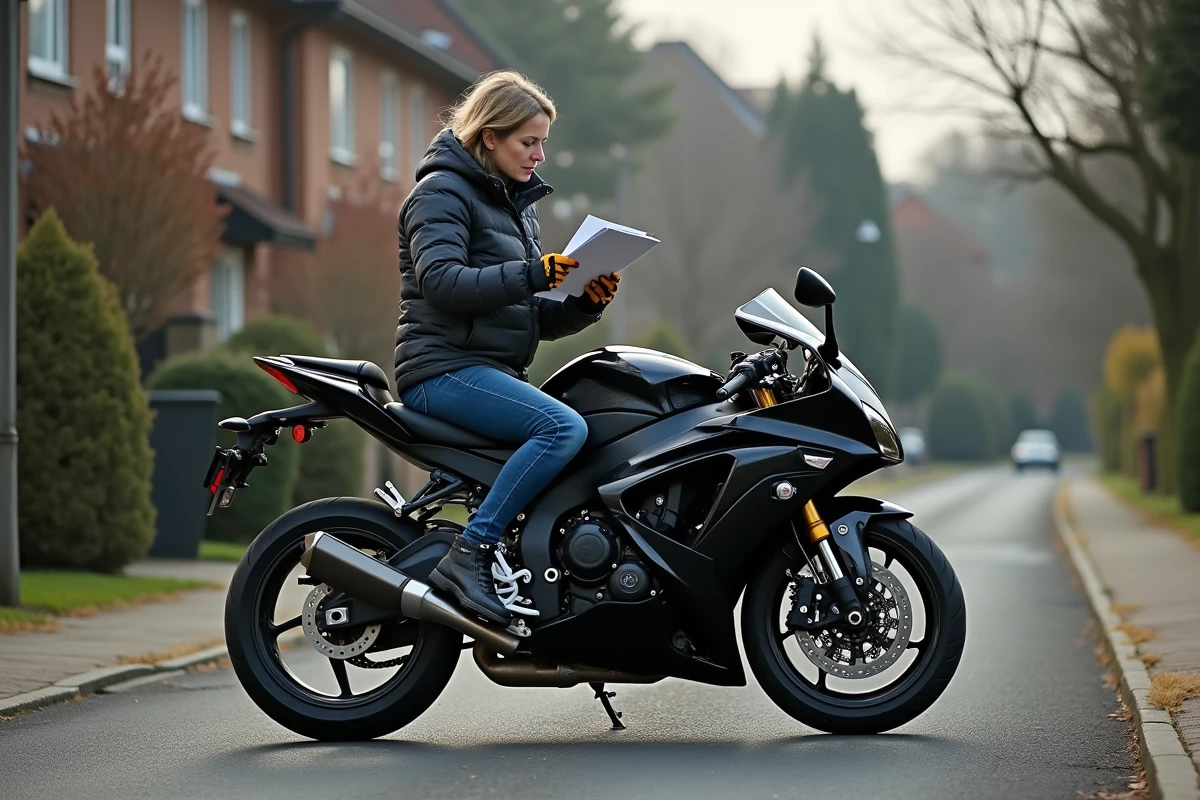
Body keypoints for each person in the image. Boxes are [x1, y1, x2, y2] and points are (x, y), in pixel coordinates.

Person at [394, 71, 621, 625]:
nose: (541, 155)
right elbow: (442, 282)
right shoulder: (440, 193)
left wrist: (584, 303)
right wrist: (531, 273)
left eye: (544, 141)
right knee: (562, 428)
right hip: (440, 371)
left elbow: (526, 315)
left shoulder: (515, 205)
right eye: (529, 141)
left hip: (487, 371)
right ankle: (471, 552)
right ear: (489, 137)